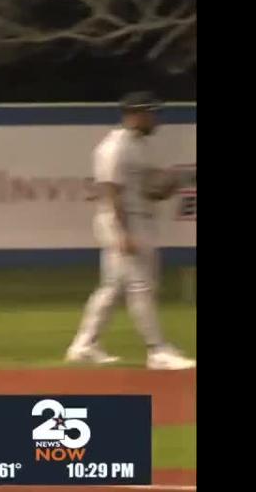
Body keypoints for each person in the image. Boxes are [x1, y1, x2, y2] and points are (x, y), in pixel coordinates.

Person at [65, 91, 194, 370]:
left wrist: (171, 183)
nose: (155, 118)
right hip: (124, 221)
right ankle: (157, 350)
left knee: (113, 288)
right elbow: (111, 191)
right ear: (135, 115)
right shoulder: (114, 147)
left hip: (138, 218)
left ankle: (84, 345)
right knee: (141, 286)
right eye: (150, 113)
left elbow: (150, 191)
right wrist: (123, 233)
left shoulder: (140, 145)